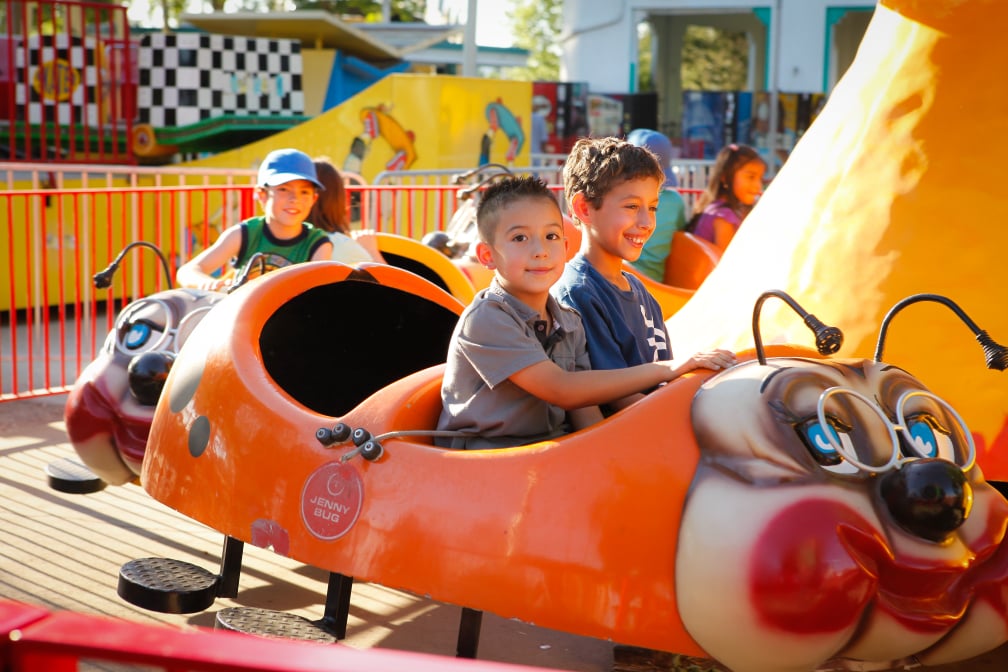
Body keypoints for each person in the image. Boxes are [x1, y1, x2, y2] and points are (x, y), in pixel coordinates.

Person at [436, 175, 735, 450]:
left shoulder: (568, 320)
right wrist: (670, 368)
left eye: (551, 237)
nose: (540, 250)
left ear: (566, 247)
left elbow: (584, 414)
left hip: (545, 455)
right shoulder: (489, 318)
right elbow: (562, 389)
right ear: (488, 255)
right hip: (488, 461)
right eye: (520, 238)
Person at [551, 136, 735, 414]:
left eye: (652, 207)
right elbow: (619, 399)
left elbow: (666, 380)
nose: (647, 223)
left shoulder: (640, 291)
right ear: (584, 208)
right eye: (632, 207)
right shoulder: (577, 293)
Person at [176, 148, 333, 291]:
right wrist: (207, 283)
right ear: (262, 194)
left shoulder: (317, 244)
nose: (295, 199)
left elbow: (314, 293)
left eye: (304, 192)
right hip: (242, 316)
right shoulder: (244, 233)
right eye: (283, 189)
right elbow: (188, 271)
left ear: (314, 199)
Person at [625, 128, 688, 283]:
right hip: (655, 281)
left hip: (625, 275)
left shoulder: (620, 197)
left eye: (653, 208)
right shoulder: (675, 200)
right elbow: (680, 231)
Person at [688, 143, 767, 252]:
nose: (758, 186)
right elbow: (729, 265)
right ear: (725, 177)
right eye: (751, 177)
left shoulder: (716, 207)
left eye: (760, 178)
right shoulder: (724, 217)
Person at [308, 157, 385, 265]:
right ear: (338, 198)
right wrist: (372, 251)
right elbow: (390, 280)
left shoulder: (290, 240)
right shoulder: (342, 246)